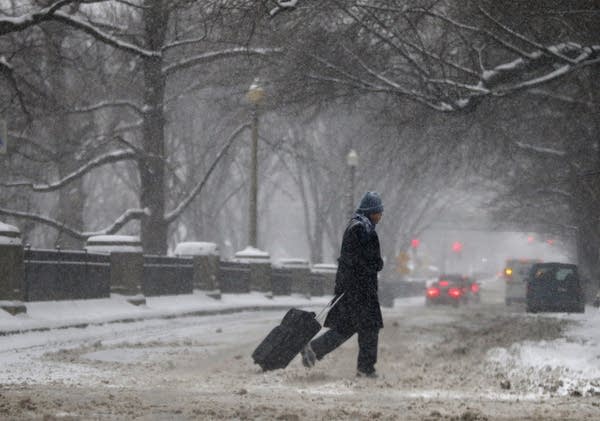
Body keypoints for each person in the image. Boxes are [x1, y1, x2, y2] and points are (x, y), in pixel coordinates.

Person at [301, 191, 384, 378]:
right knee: (368, 328)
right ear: (371, 211)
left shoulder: (357, 227)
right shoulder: (362, 230)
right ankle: (365, 369)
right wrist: (376, 264)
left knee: (347, 327)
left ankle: (314, 349)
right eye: (379, 212)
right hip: (360, 290)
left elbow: (352, 259)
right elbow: (364, 260)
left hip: (353, 289)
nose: (380, 216)